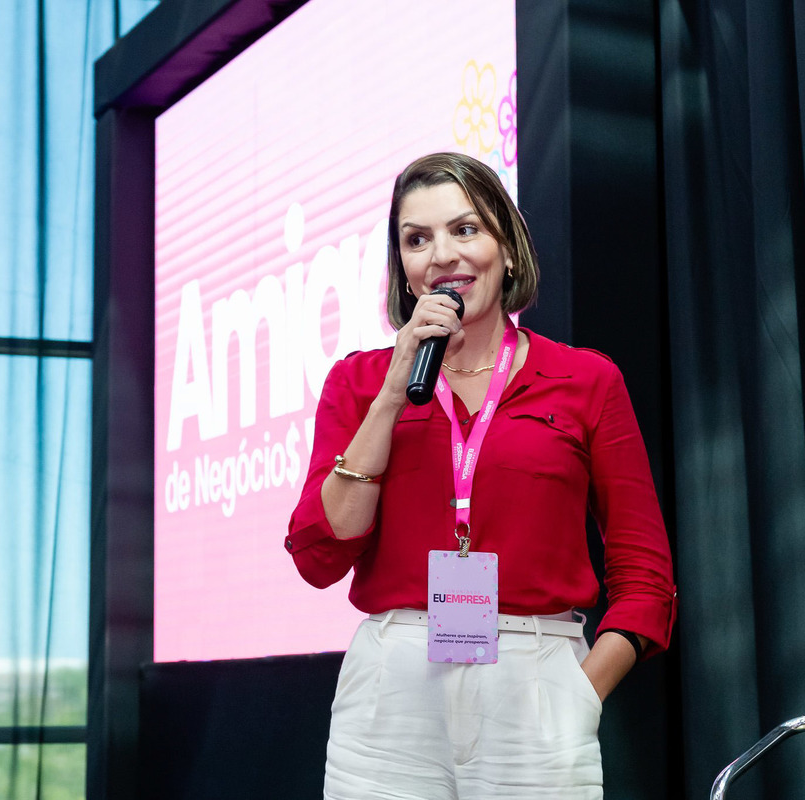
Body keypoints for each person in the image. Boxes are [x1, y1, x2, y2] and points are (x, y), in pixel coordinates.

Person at [285, 152, 676, 799]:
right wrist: (392, 391)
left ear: (509, 250)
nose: (441, 254)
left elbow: (645, 574)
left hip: (536, 678)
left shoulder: (587, 380)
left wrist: (579, 689)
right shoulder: (359, 384)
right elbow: (323, 554)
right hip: (394, 684)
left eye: (464, 230)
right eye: (417, 239)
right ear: (405, 272)